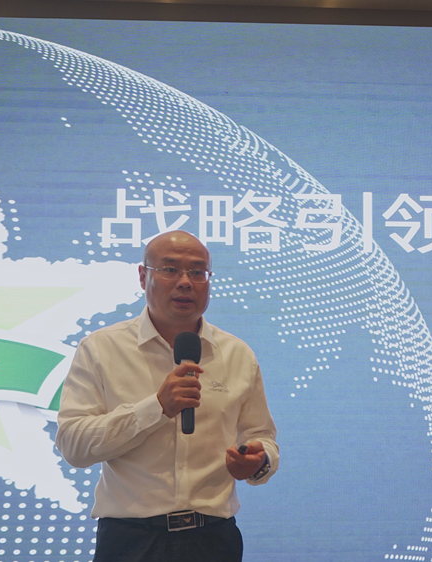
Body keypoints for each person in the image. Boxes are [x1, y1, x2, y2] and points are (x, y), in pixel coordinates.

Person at [56, 230, 279, 562]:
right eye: (170, 269)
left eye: (198, 272)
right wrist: (157, 407)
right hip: (130, 540)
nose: (185, 282)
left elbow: (262, 436)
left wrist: (258, 462)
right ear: (143, 276)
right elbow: (73, 445)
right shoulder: (101, 348)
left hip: (213, 539)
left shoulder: (237, 354)